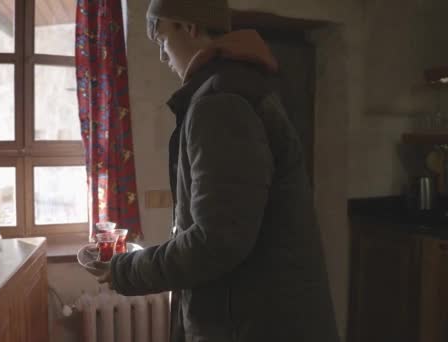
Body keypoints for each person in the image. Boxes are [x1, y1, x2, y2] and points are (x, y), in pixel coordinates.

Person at [97, 0, 340, 341]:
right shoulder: (238, 88)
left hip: (252, 326)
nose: (164, 56)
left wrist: (126, 270)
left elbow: (217, 240)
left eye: (162, 38)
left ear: (190, 26)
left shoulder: (221, 102)